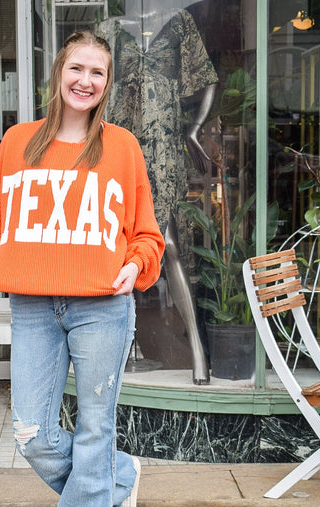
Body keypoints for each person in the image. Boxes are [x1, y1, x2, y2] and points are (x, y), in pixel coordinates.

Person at [0, 30, 164, 507]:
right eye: (77, 69)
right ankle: (119, 480)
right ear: (58, 74)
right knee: (31, 433)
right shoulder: (19, 142)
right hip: (33, 304)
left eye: (97, 73)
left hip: (103, 306)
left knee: (94, 426)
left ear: (107, 84)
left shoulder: (122, 147)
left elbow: (146, 233)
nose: (86, 81)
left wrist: (138, 263)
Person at [98, 3, 219, 384]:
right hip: (115, 144)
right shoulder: (109, 28)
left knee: (168, 244)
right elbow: (88, 85)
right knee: (114, 244)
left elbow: (207, 78)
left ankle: (197, 349)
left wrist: (194, 129)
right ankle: (117, 352)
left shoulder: (180, 22)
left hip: (163, 149)